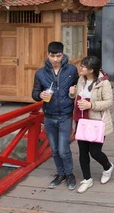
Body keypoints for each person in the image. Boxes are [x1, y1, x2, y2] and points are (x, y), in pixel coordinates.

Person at [32, 42, 79, 190]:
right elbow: (34, 94)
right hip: (49, 115)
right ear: (48, 55)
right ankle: (60, 174)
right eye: (52, 56)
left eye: (58, 56)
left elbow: (79, 89)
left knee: (63, 148)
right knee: (54, 149)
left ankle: (70, 174)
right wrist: (40, 94)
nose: (55, 59)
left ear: (62, 55)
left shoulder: (71, 70)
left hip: (65, 114)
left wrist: (73, 93)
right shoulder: (40, 73)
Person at [69, 55, 114, 194]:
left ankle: (107, 167)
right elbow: (77, 96)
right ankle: (87, 179)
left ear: (91, 70)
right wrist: (72, 94)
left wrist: (91, 104)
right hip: (81, 121)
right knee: (82, 152)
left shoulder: (103, 83)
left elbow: (108, 102)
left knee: (95, 152)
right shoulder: (81, 80)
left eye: (83, 66)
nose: (80, 67)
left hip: (96, 122)